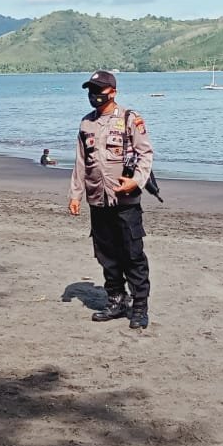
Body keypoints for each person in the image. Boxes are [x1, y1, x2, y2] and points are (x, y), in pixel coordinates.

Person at [68, 70, 154, 330]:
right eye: (90, 92)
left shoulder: (130, 119)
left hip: (125, 200)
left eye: (99, 91)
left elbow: (145, 154)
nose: (94, 96)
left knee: (132, 254)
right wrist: (75, 194)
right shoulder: (86, 124)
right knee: (106, 255)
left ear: (112, 92)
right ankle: (116, 300)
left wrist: (136, 181)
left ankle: (139, 306)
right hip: (98, 199)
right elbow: (81, 162)